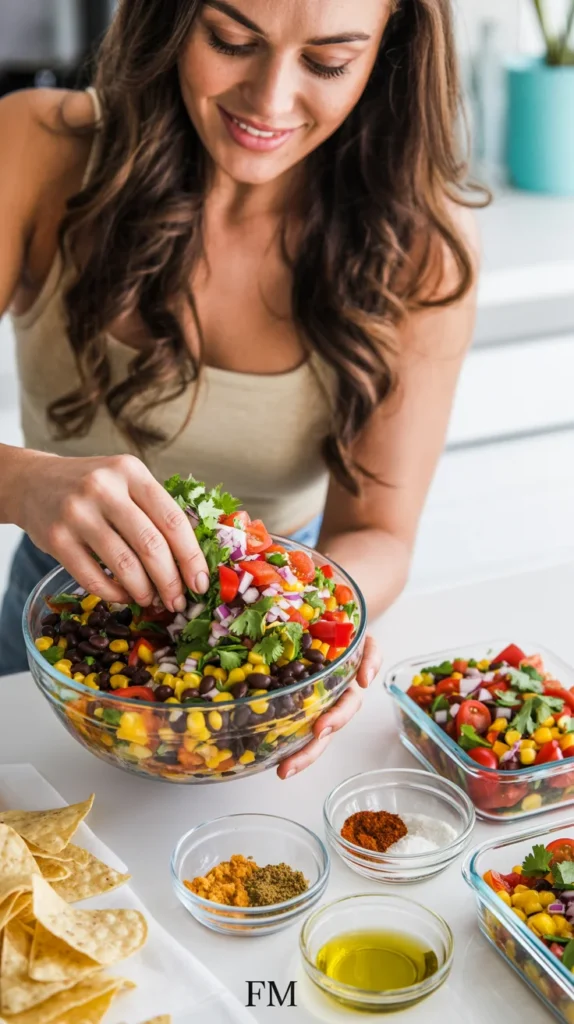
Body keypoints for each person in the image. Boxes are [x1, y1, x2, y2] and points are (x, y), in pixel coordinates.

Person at [0, 0, 482, 777]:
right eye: (230, 40)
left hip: (267, 642)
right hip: (56, 609)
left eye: (327, 62)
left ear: (389, 46)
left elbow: (379, 531)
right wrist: (20, 482)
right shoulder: (33, 143)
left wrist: (321, 621)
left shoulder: (422, 246)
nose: (269, 100)